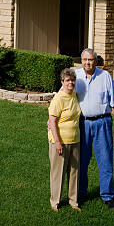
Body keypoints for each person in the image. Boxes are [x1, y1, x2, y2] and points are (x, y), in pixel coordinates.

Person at [75, 48, 114, 209]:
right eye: (85, 60)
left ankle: (107, 195)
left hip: (103, 123)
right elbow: (62, 97)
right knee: (81, 161)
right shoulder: (76, 77)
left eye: (91, 60)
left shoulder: (105, 77)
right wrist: (52, 119)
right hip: (83, 124)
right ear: (81, 61)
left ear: (96, 61)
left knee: (105, 160)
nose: (87, 63)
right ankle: (80, 193)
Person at [48, 68, 82, 212]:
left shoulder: (74, 95)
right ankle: (55, 201)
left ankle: (73, 201)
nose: (71, 83)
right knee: (58, 172)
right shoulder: (58, 99)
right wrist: (57, 142)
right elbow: (52, 121)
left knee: (74, 171)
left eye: (72, 80)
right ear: (62, 82)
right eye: (67, 80)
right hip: (60, 140)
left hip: (75, 139)